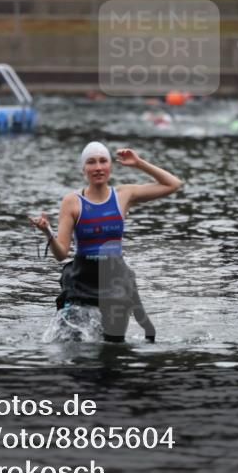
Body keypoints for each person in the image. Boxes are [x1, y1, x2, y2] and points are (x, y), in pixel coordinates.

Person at [29, 142, 183, 343]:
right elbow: (61, 254)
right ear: (83, 169)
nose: (98, 167)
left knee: (112, 348)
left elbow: (173, 184)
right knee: (72, 344)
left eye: (103, 161)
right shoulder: (72, 202)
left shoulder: (123, 195)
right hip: (81, 281)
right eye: (91, 162)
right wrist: (48, 232)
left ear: (110, 166)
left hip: (114, 284)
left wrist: (139, 163)